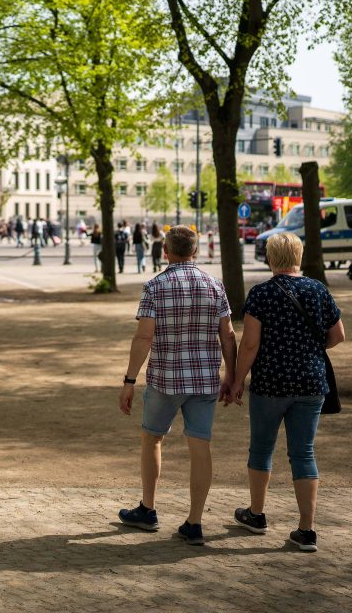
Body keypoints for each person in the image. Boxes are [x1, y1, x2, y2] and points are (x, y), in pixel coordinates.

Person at [118, 225, 237, 546]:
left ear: (166, 252)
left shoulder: (155, 286)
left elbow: (144, 336)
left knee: (152, 439)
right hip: (204, 380)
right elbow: (227, 334)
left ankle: (148, 508)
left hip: (166, 380)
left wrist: (129, 380)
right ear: (195, 252)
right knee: (200, 446)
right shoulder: (214, 285)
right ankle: (195, 522)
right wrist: (233, 377)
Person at [230, 231, 344, 553]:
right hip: (310, 384)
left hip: (270, 383)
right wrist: (310, 349)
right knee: (303, 452)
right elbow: (338, 335)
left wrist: (238, 381)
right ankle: (306, 530)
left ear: (270, 257)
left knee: (261, 449)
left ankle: (256, 514)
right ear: (299, 256)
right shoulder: (318, 290)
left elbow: (250, 344)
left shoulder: (261, 294)